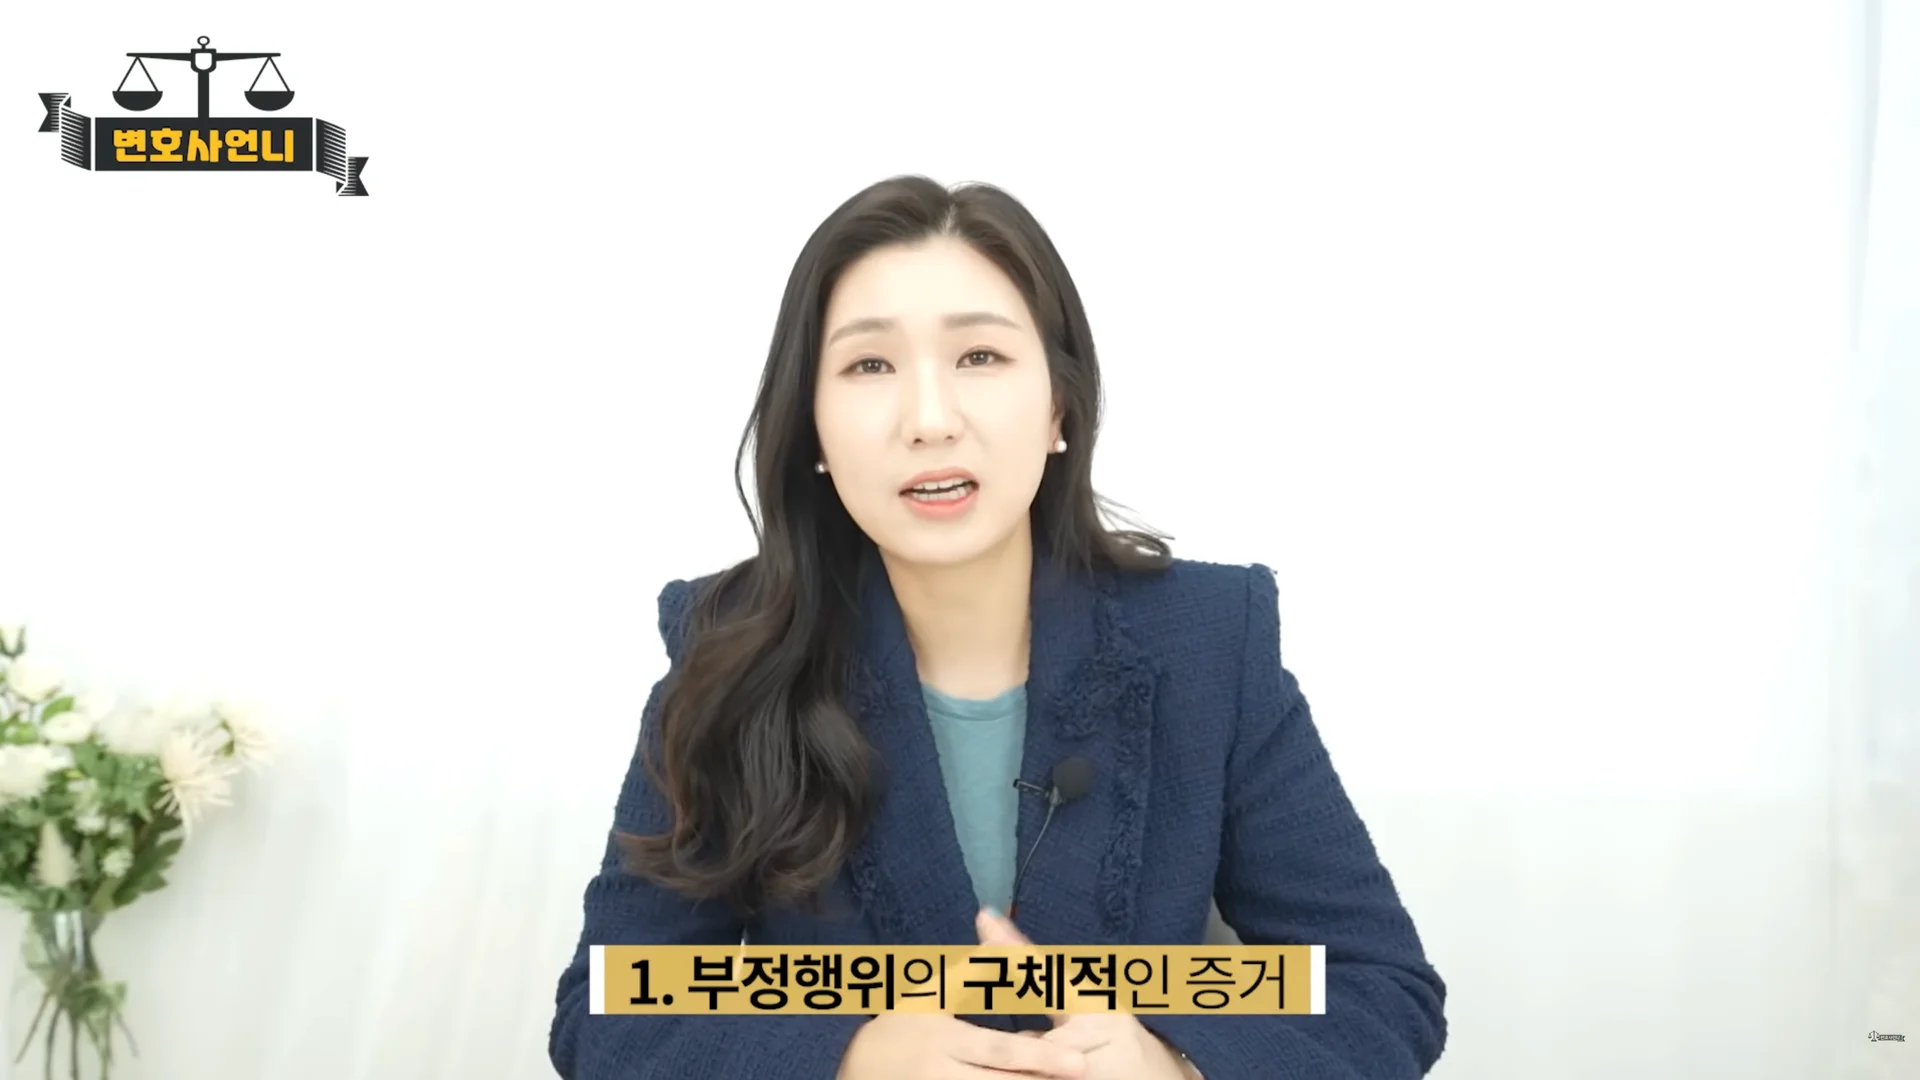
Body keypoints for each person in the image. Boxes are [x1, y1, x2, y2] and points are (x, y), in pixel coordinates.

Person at [549, 175, 1447, 1079]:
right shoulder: (728, 650)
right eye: (869, 366)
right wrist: (848, 1055)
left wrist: (1174, 1061)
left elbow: (1374, 988)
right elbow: (612, 1008)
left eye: (979, 356)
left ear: (1059, 406)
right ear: (812, 426)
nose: (930, 420)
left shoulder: (1211, 640)